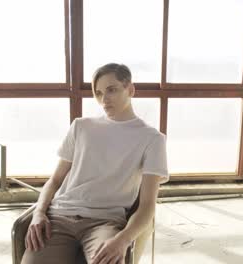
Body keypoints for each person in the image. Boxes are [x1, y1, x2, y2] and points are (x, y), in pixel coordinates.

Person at [21, 63, 169, 264]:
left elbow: (147, 205)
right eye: (98, 93)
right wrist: (39, 213)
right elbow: (55, 180)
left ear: (131, 89)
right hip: (59, 217)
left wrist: (122, 240)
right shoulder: (81, 127)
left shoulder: (152, 139)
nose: (104, 99)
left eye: (112, 90)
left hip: (105, 222)